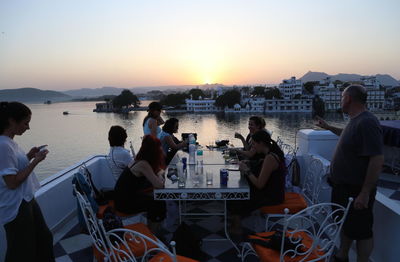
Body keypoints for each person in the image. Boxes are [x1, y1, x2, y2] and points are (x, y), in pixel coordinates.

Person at [316, 84, 384, 262]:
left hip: (356, 191)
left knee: (362, 231)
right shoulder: (355, 120)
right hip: (343, 188)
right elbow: (347, 135)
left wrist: (364, 193)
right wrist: (329, 127)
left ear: (348, 99)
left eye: (341, 97)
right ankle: (342, 255)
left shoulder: (367, 122)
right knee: (346, 226)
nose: (340, 100)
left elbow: (376, 159)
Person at [0, 102, 55, 262]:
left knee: (44, 238)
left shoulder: (10, 142)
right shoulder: (3, 146)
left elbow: (14, 167)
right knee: (21, 251)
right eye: (25, 123)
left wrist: (29, 155)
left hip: (27, 199)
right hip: (16, 205)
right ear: (11, 121)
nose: (28, 127)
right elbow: (12, 182)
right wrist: (35, 162)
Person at [229, 130, 286, 234]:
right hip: (272, 191)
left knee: (236, 196)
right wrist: (249, 162)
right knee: (237, 192)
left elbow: (259, 185)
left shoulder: (270, 158)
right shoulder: (270, 152)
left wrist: (247, 170)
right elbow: (262, 165)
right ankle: (234, 218)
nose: (253, 147)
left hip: (272, 197)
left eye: (254, 144)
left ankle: (236, 228)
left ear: (261, 143)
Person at [114, 135, 166, 227]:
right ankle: (155, 230)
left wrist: (158, 173)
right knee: (158, 201)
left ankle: (153, 224)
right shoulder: (143, 164)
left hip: (121, 198)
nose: (161, 150)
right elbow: (159, 185)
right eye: (159, 148)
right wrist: (160, 175)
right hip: (125, 203)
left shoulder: (138, 160)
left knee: (154, 197)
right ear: (153, 151)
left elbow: (157, 171)